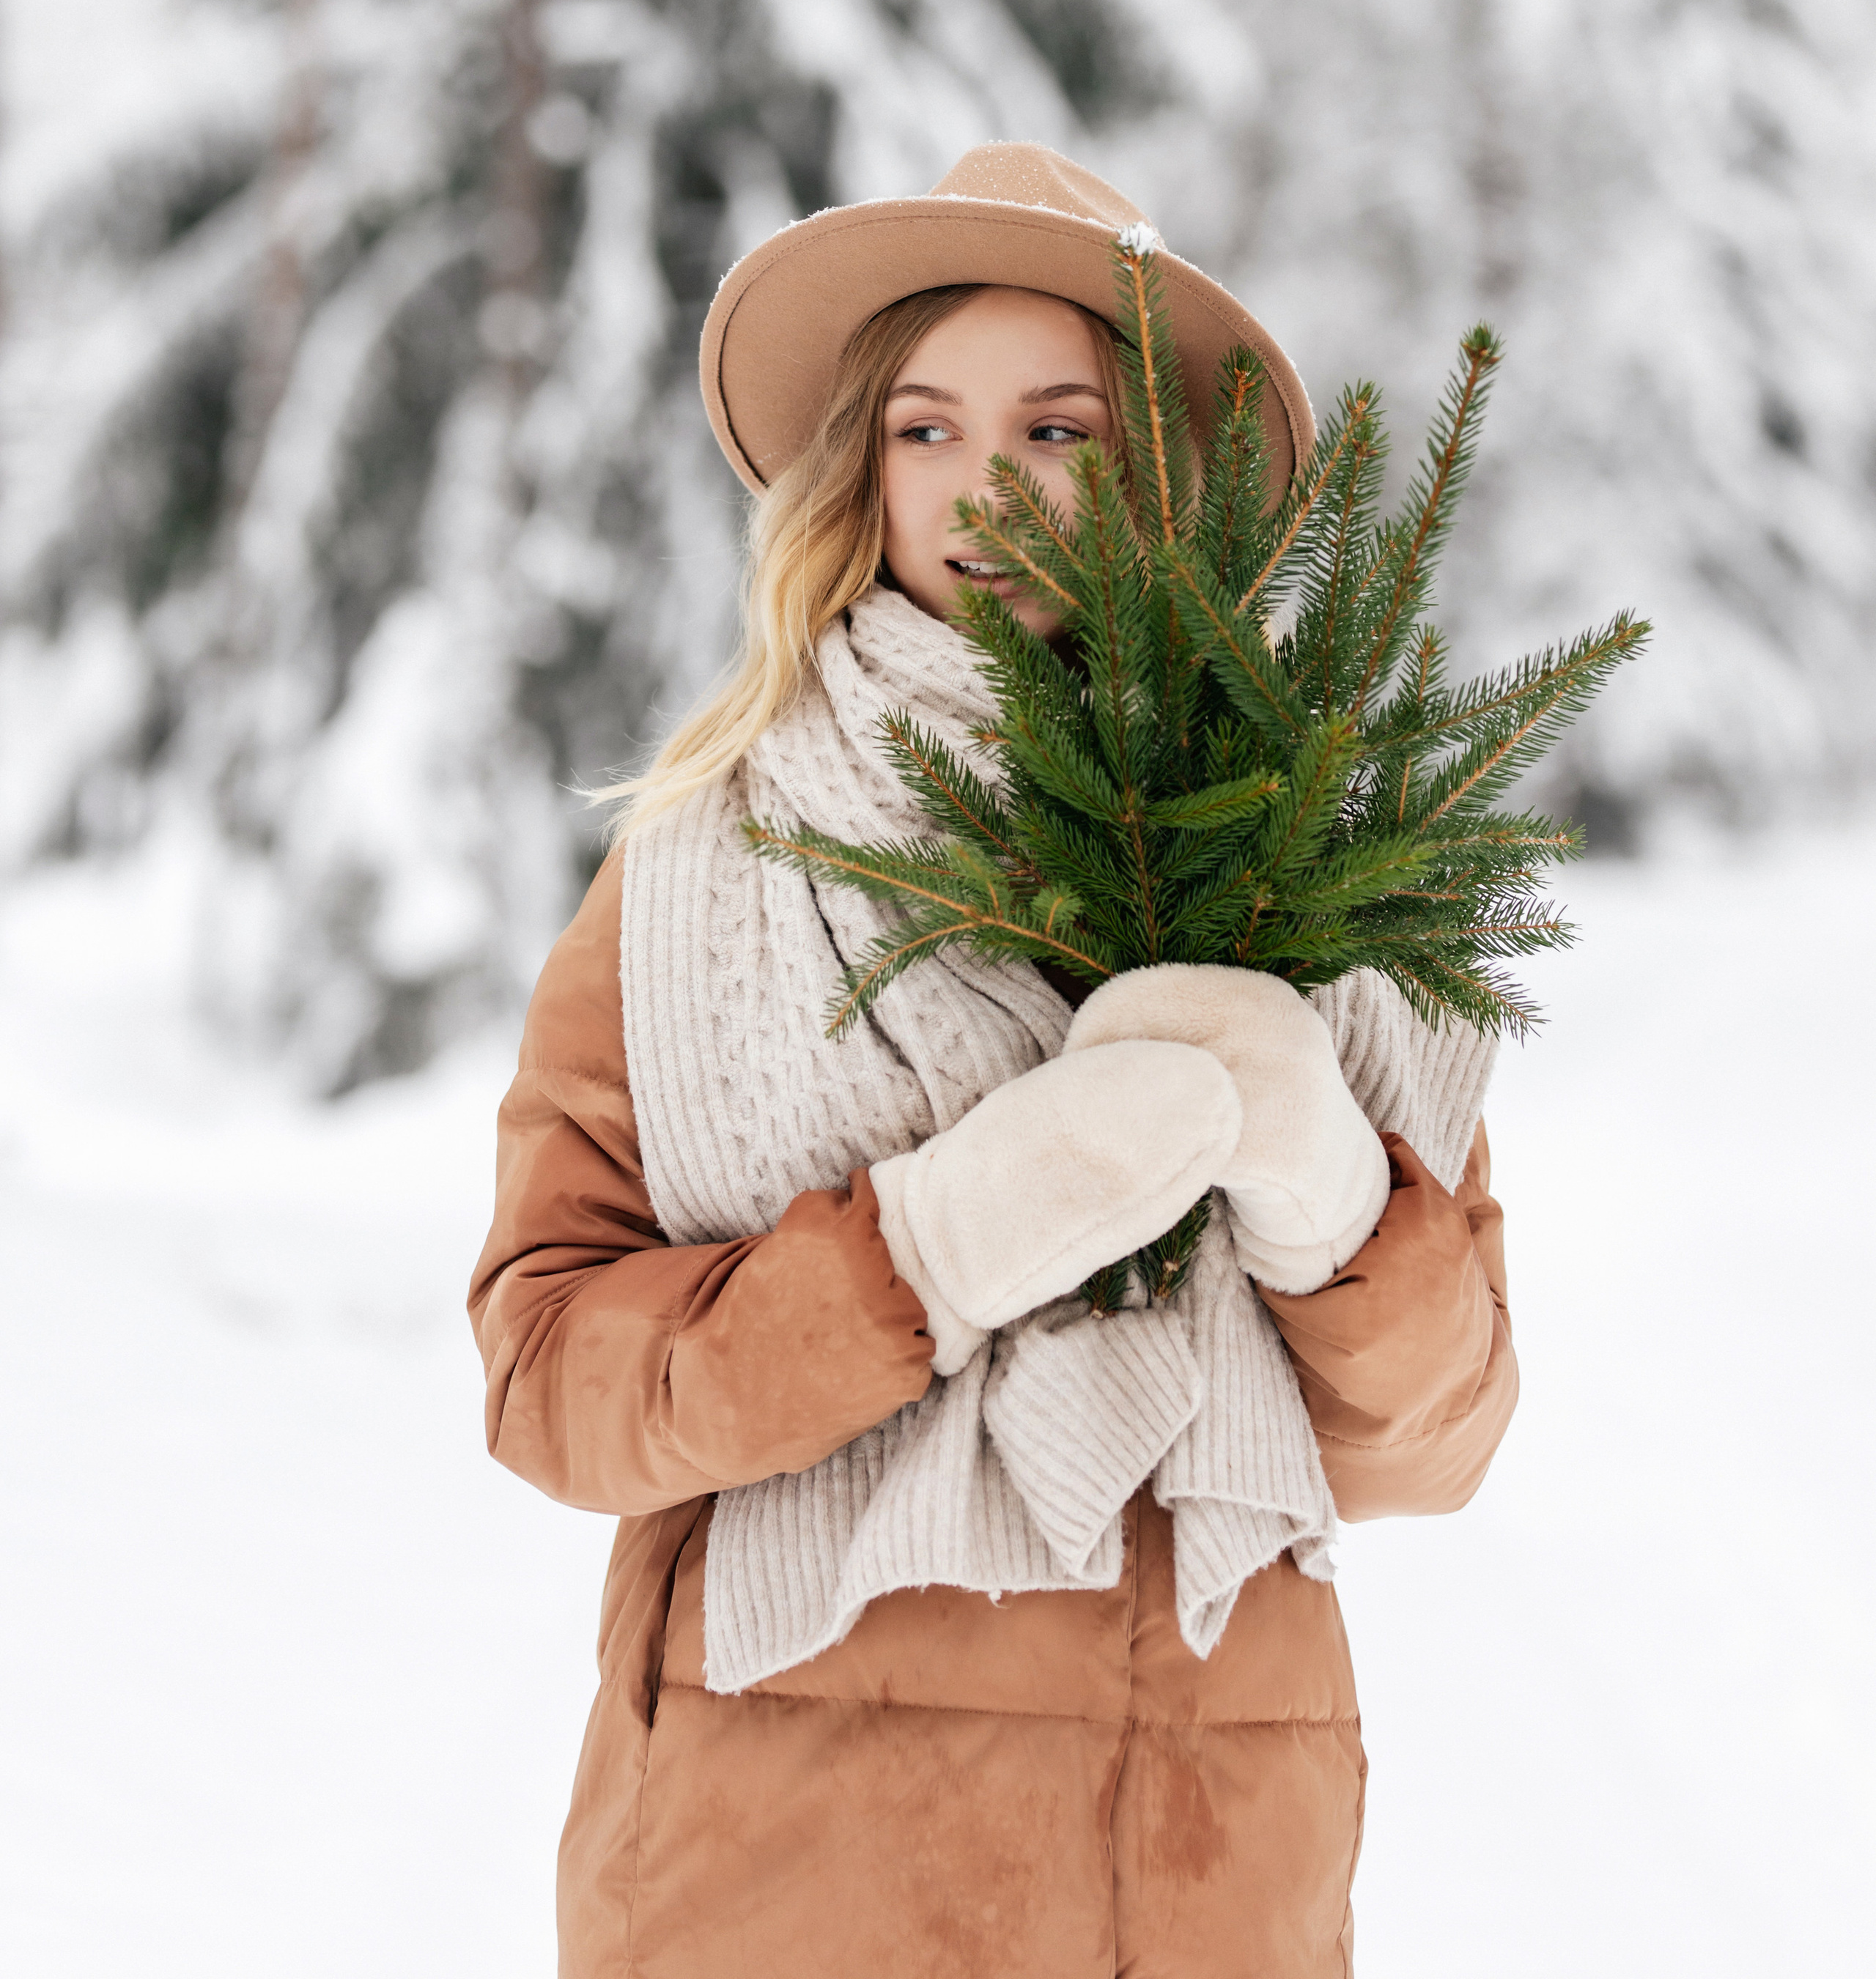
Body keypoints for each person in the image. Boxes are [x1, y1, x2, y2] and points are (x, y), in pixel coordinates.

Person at [469, 142, 1517, 1979]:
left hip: (1204, 1867)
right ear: (857, 472)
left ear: (1158, 484)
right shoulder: (703, 862)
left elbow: (1439, 1443)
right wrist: (925, 1252)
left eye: (1059, 434)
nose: (988, 491)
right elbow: (549, 1379)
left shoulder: (1301, 871)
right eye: (927, 432)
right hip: (781, 1863)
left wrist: (1322, 1187)